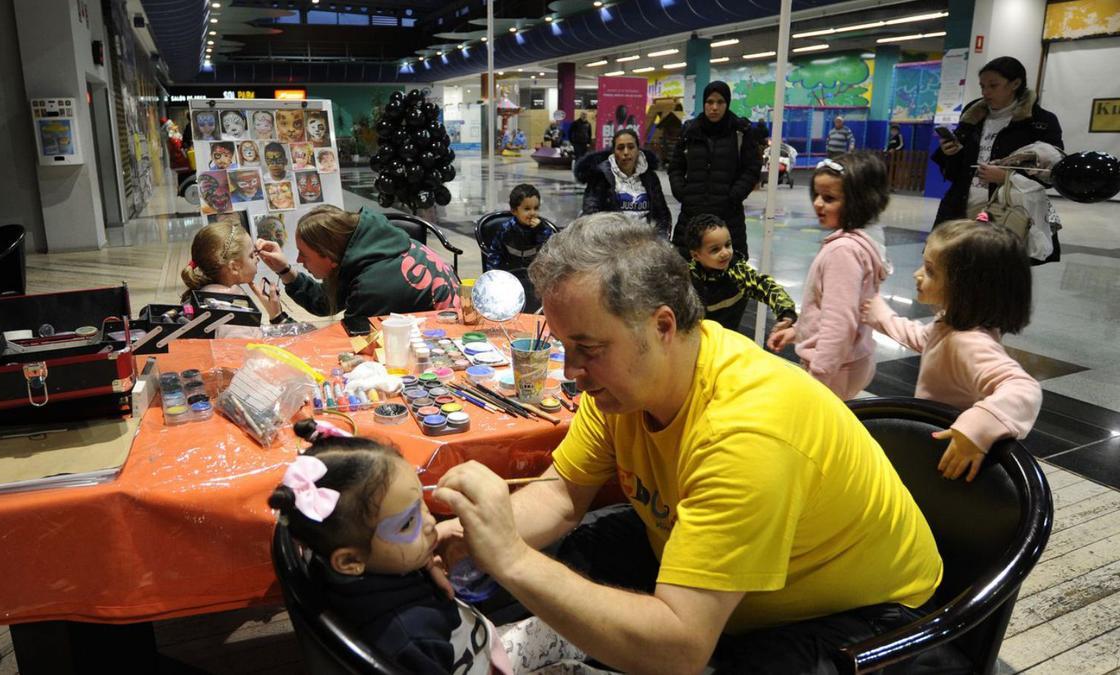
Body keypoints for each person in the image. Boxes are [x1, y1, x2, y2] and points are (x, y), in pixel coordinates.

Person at [431, 213, 942, 674]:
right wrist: (470, 533)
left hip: (866, 617)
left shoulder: (746, 431)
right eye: (565, 347)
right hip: (723, 563)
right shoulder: (624, 387)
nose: (573, 372)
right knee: (566, 557)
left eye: (586, 349)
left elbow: (678, 650)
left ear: (662, 325)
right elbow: (563, 492)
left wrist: (512, 558)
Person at [268, 424, 600, 674]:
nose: (431, 523)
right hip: (471, 661)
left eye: (421, 504)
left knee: (578, 629)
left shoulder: (346, 565)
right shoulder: (407, 640)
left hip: (478, 644)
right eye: (406, 523)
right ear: (351, 560)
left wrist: (423, 564)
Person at [864, 218, 1041, 482]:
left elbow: (1024, 389)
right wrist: (881, 315)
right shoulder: (951, 326)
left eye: (930, 270)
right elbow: (925, 339)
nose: (917, 274)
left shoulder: (968, 341)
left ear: (969, 287)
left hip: (951, 451)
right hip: (936, 440)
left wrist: (977, 428)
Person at [767, 152, 892, 400]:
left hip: (835, 371)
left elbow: (839, 323)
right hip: (852, 361)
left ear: (859, 201)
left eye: (829, 198)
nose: (817, 204)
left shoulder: (843, 251)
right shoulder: (864, 241)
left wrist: (819, 375)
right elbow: (835, 309)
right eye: (817, 195)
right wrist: (797, 332)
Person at [255, 205, 461, 322]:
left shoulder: (374, 285)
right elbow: (326, 301)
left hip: (447, 346)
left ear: (329, 257)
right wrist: (284, 270)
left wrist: (279, 318)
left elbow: (348, 347)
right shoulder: (370, 250)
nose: (298, 260)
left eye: (304, 254)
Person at [932, 56, 1064, 236]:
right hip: (960, 206)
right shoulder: (973, 116)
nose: (986, 92)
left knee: (999, 261)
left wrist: (1008, 177)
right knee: (949, 259)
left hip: (1009, 210)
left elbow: (1052, 172)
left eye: (993, 86)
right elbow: (954, 172)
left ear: (1015, 84)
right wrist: (951, 153)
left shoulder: (1041, 121)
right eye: (982, 86)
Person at [668, 80, 761, 258]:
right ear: (704, 104)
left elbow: (752, 169)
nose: (714, 107)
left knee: (728, 271)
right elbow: (676, 167)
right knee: (685, 269)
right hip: (691, 215)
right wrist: (682, 192)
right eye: (710, 102)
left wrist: (733, 195)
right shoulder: (690, 132)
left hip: (728, 217)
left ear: (727, 103)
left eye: (720, 102)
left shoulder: (740, 132)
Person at [685, 213, 796, 334]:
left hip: (729, 341)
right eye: (715, 250)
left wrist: (786, 311)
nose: (725, 253)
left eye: (728, 245)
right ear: (696, 255)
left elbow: (764, 286)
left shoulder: (738, 272)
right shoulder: (687, 281)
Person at [181, 222, 287, 331]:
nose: (257, 258)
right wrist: (277, 316)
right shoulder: (230, 314)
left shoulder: (209, 297)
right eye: (251, 255)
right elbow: (251, 346)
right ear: (234, 267)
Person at [574, 129, 671, 237]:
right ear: (613, 152)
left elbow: (662, 214)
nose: (626, 152)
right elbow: (590, 217)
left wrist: (661, 240)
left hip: (647, 244)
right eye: (620, 148)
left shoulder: (650, 177)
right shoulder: (600, 177)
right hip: (612, 244)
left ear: (638, 150)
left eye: (631, 147)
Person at [484, 184, 555, 272]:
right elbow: (495, 254)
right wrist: (494, 275)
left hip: (536, 276)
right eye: (527, 209)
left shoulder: (543, 229)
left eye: (536, 208)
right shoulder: (506, 230)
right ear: (514, 211)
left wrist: (540, 229)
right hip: (511, 275)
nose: (532, 213)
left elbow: (553, 251)